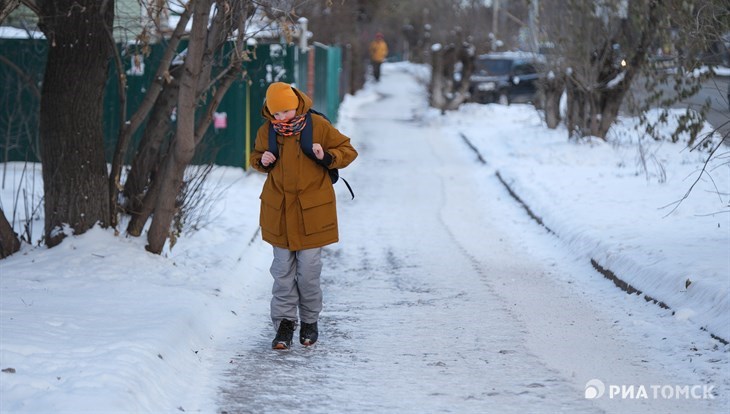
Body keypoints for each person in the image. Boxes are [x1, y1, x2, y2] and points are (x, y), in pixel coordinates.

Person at [250, 82, 358, 350]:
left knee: (308, 274)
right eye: (275, 114)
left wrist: (328, 155)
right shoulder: (268, 131)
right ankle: (284, 326)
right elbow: (256, 156)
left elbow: (348, 151)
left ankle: (309, 321)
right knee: (282, 274)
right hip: (279, 214)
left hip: (312, 214)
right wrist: (260, 161)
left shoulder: (318, 126)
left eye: (285, 112)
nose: (280, 118)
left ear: (296, 105)